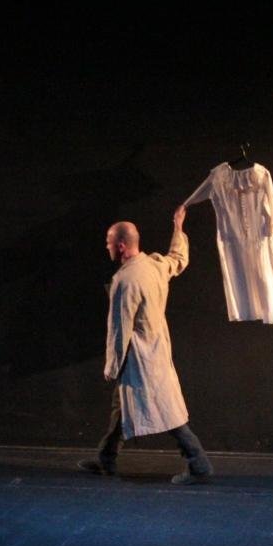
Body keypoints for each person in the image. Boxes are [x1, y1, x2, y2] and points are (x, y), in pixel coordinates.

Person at [78, 205, 213, 485]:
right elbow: (178, 258)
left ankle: (198, 463)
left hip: (139, 357)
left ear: (121, 246)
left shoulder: (125, 280)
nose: (106, 247)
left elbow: (120, 329)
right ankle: (106, 458)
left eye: (109, 242)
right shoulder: (154, 265)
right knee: (122, 406)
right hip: (156, 349)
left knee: (168, 412)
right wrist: (178, 228)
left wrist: (111, 366)